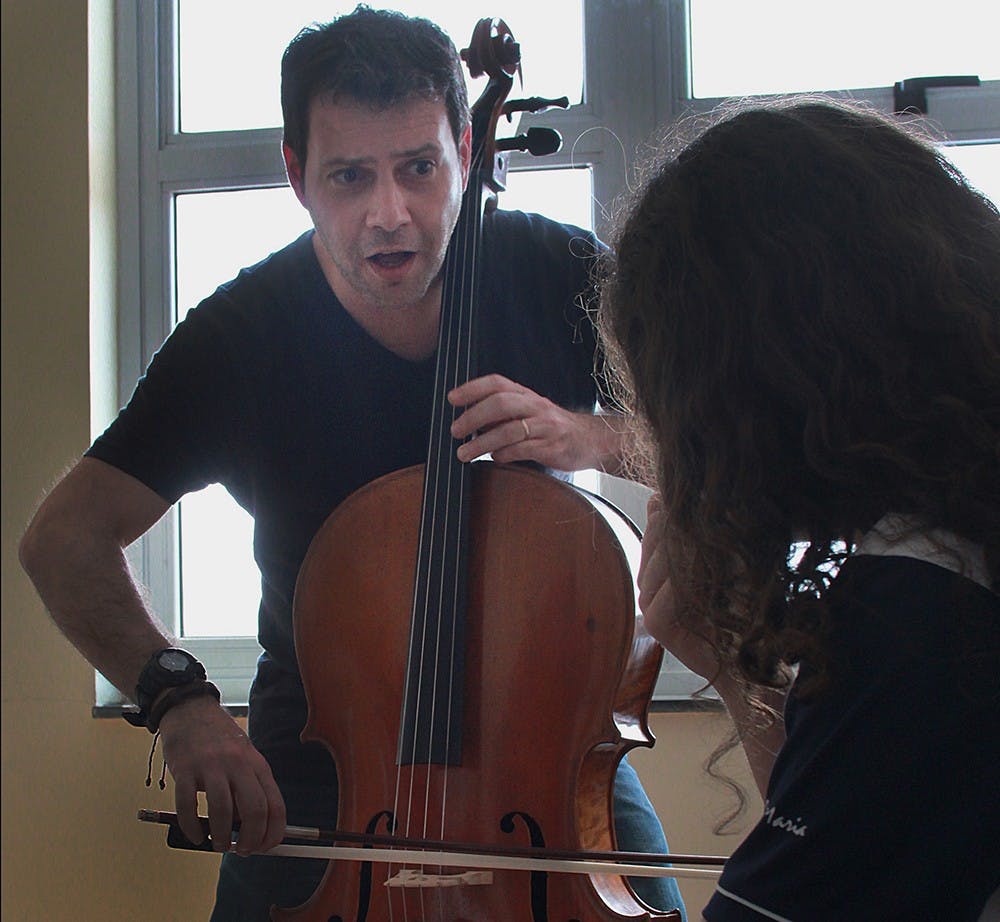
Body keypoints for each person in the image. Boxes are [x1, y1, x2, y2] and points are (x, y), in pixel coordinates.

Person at [19, 6, 686, 920]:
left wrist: (593, 437)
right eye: (348, 176)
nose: (389, 214)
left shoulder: (555, 271)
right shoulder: (241, 336)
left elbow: (730, 443)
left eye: (419, 168)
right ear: (296, 175)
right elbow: (63, 540)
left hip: (549, 742)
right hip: (324, 761)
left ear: (463, 147)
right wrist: (178, 702)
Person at [598, 97, 1000, 920]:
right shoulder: (958, 532)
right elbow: (855, 864)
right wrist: (725, 669)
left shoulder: (921, 599)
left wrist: (729, 669)